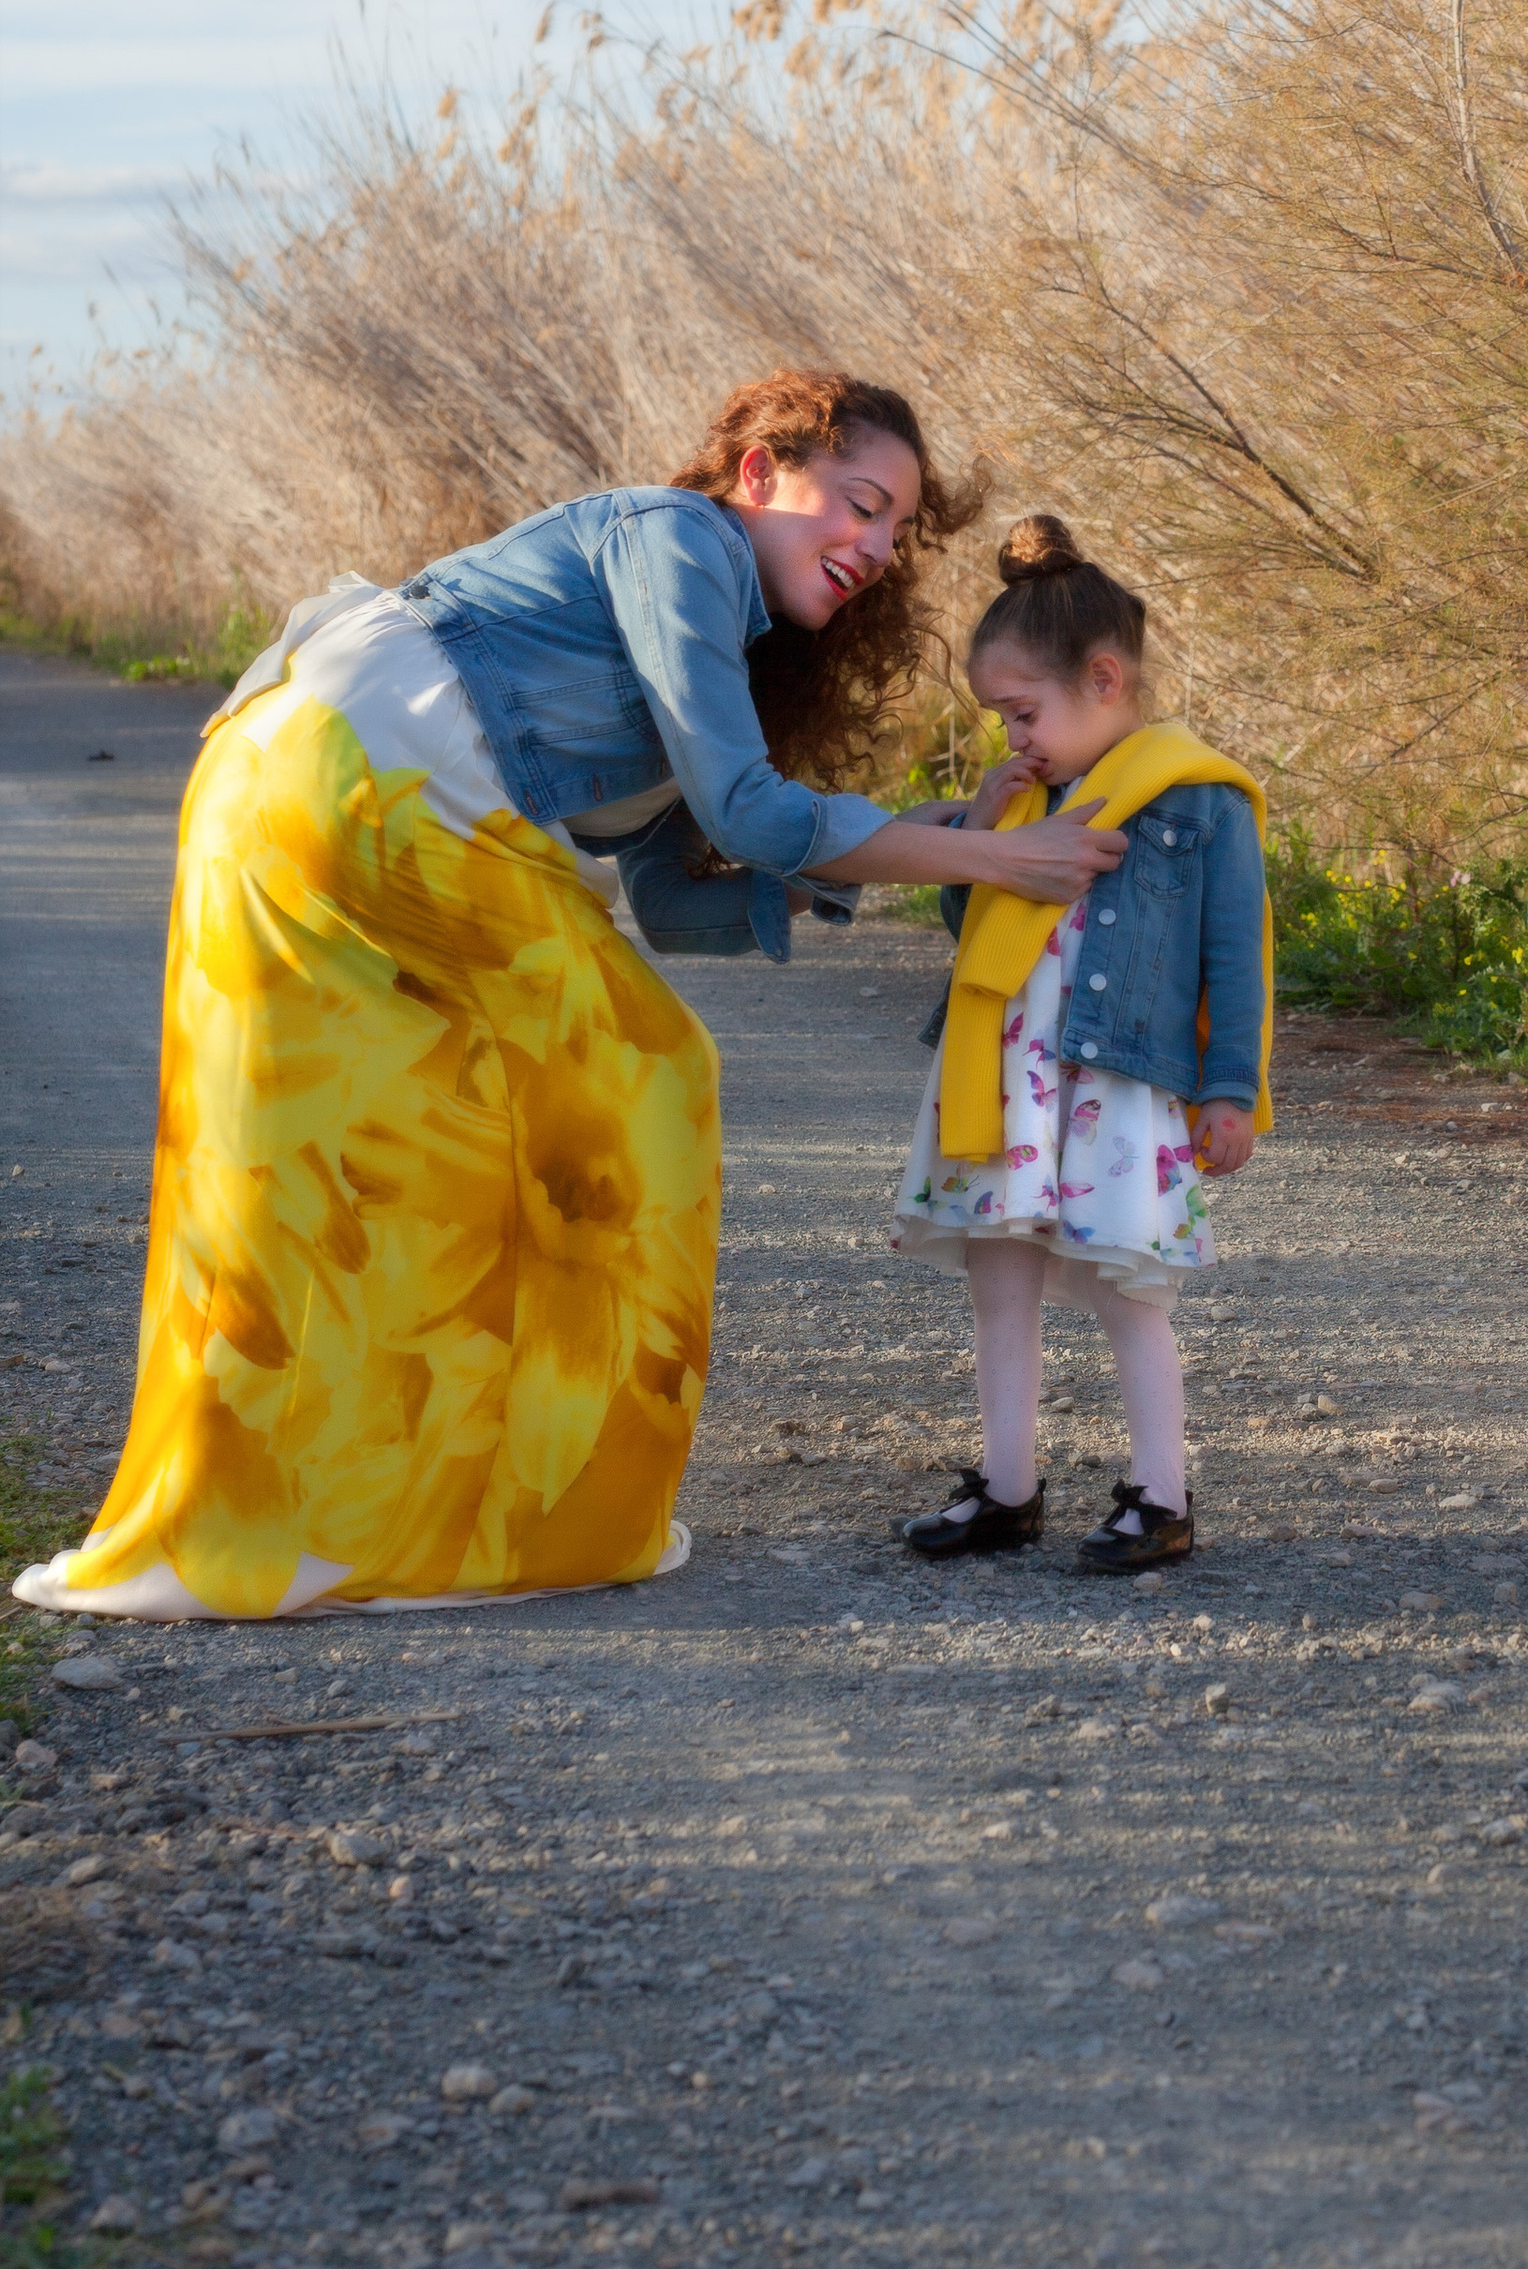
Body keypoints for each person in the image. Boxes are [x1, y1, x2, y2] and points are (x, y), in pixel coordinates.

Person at [13, 372, 1127, 1624]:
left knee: (364, 1164)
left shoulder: (712, 640)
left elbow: (677, 901)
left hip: (302, 779)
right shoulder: (679, 538)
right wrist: (987, 860)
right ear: (760, 474)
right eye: (859, 504)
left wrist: (941, 836)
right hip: (362, 775)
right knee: (638, 1081)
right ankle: (534, 1509)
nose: (873, 547)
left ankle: (350, 1521)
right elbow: (752, 812)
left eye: (896, 532)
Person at [894, 516, 1271, 1576]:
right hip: (1006, 1081)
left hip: (1114, 1086)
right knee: (999, 1280)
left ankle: (1160, 1497)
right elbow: (965, 932)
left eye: (1022, 712)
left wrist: (1229, 1090)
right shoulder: (1027, 795)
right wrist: (979, 830)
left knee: (1124, 1290)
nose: (1012, 735)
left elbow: (1232, 954)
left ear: (1103, 678)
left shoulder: (1198, 800)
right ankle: (1007, 1489)